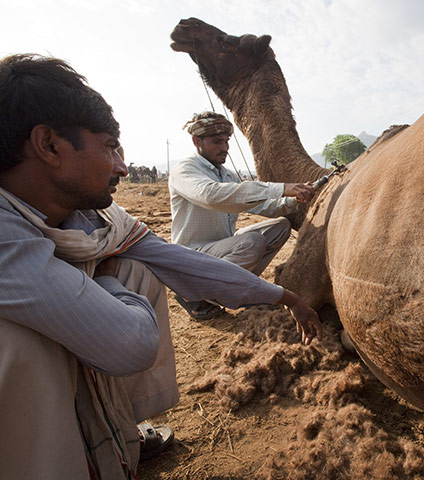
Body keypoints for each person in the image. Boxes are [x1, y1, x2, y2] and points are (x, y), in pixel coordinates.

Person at [0, 53, 323, 480]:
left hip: (202, 257)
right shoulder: (8, 240)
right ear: (49, 145)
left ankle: (119, 427)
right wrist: (106, 281)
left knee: (140, 266)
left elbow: (180, 262)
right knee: (24, 343)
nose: (121, 166)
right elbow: (130, 344)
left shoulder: (101, 222)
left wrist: (283, 296)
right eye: (110, 147)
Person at [168, 111, 315, 320]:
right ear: (196, 141)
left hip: (221, 251)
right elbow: (212, 196)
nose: (225, 148)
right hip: (192, 258)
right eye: (217, 141)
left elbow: (264, 206)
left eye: (227, 141)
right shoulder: (185, 170)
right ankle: (197, 295)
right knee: (251, 242)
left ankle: (233, 287)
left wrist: (295, 199)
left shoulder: (225, 174)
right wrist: (281, 188)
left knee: (281, 226)